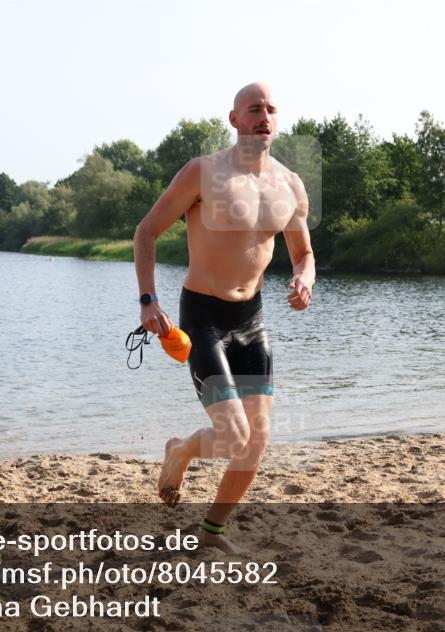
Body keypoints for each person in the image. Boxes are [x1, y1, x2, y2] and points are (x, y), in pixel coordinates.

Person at [133, 82, 314, 553]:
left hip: (252, 319)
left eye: (272, 109)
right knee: (234, 434)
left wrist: (304, 279)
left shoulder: (290, 186)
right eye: (254, 108)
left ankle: (211, 533)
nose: (264, 116)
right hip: (204, 315)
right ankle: (181, 450)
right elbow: (146, 232)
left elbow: (303, 254)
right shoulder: (203, 172)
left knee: (257, 439)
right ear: (234, 119)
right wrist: (148, 299)